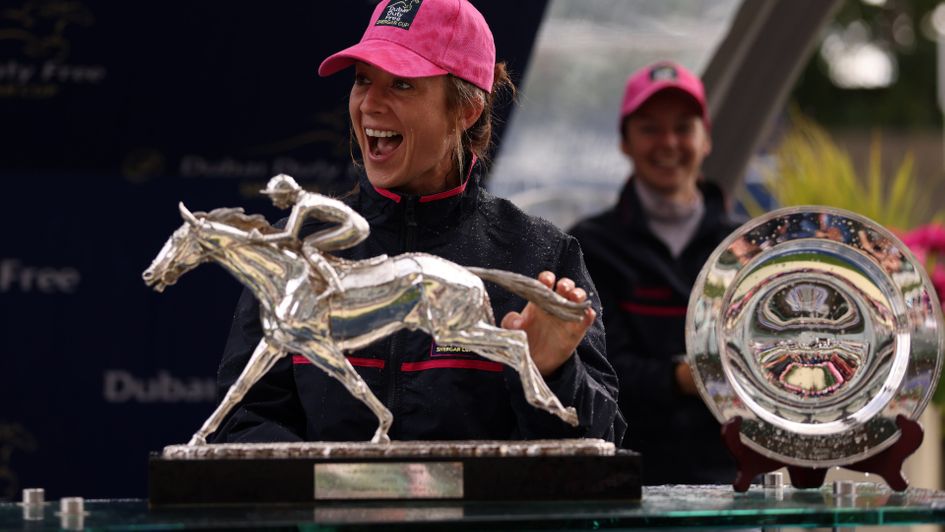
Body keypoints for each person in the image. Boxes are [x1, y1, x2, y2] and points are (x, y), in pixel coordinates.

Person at [210, 0, 624, 444]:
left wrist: (550, 373)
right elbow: (241, 423)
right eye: (363, 80)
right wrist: (341, 492)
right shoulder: (297, 249)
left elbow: (602, 445)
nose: (370, 104)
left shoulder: (540, 255)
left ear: (466, 110)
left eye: (402, 84)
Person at [569, 61, 741, 483]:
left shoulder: (744, 247)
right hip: (627, 480)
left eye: (683, 127)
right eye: (649, 128)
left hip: (734, 483)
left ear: (706, 139)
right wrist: (685, 377)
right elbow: (595, 369)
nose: (668, 142)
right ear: (624, 142)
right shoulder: (589, 245)